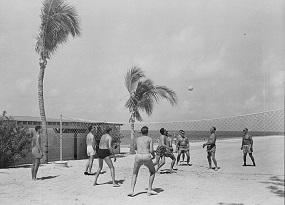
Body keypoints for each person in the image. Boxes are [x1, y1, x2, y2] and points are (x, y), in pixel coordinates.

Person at [128, 126, 157, 197]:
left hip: (138, 156)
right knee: (152, 172)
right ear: (147, 132)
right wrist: (154, 156)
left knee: (135, 173)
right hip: (146, 156)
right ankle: (149, 189)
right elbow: (151, 150)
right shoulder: (149, 139)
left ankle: (132, 190)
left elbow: (135, 148)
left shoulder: (138, 139)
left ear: (141, 132)